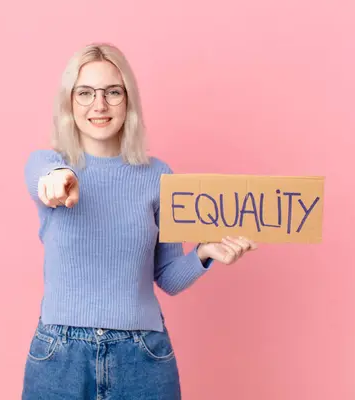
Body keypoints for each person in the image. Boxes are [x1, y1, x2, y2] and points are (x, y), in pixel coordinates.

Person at [21, 42, 257, 400]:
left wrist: (206, 253)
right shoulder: (47, 163)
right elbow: (43, 178)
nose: (99, 105)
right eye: (85, 92)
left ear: (128, 100)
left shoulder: (158, 176)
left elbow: (169, 279)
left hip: (142, 354)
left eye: (112, 92)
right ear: (69, 102)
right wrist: (57, 178)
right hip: (60, 355)